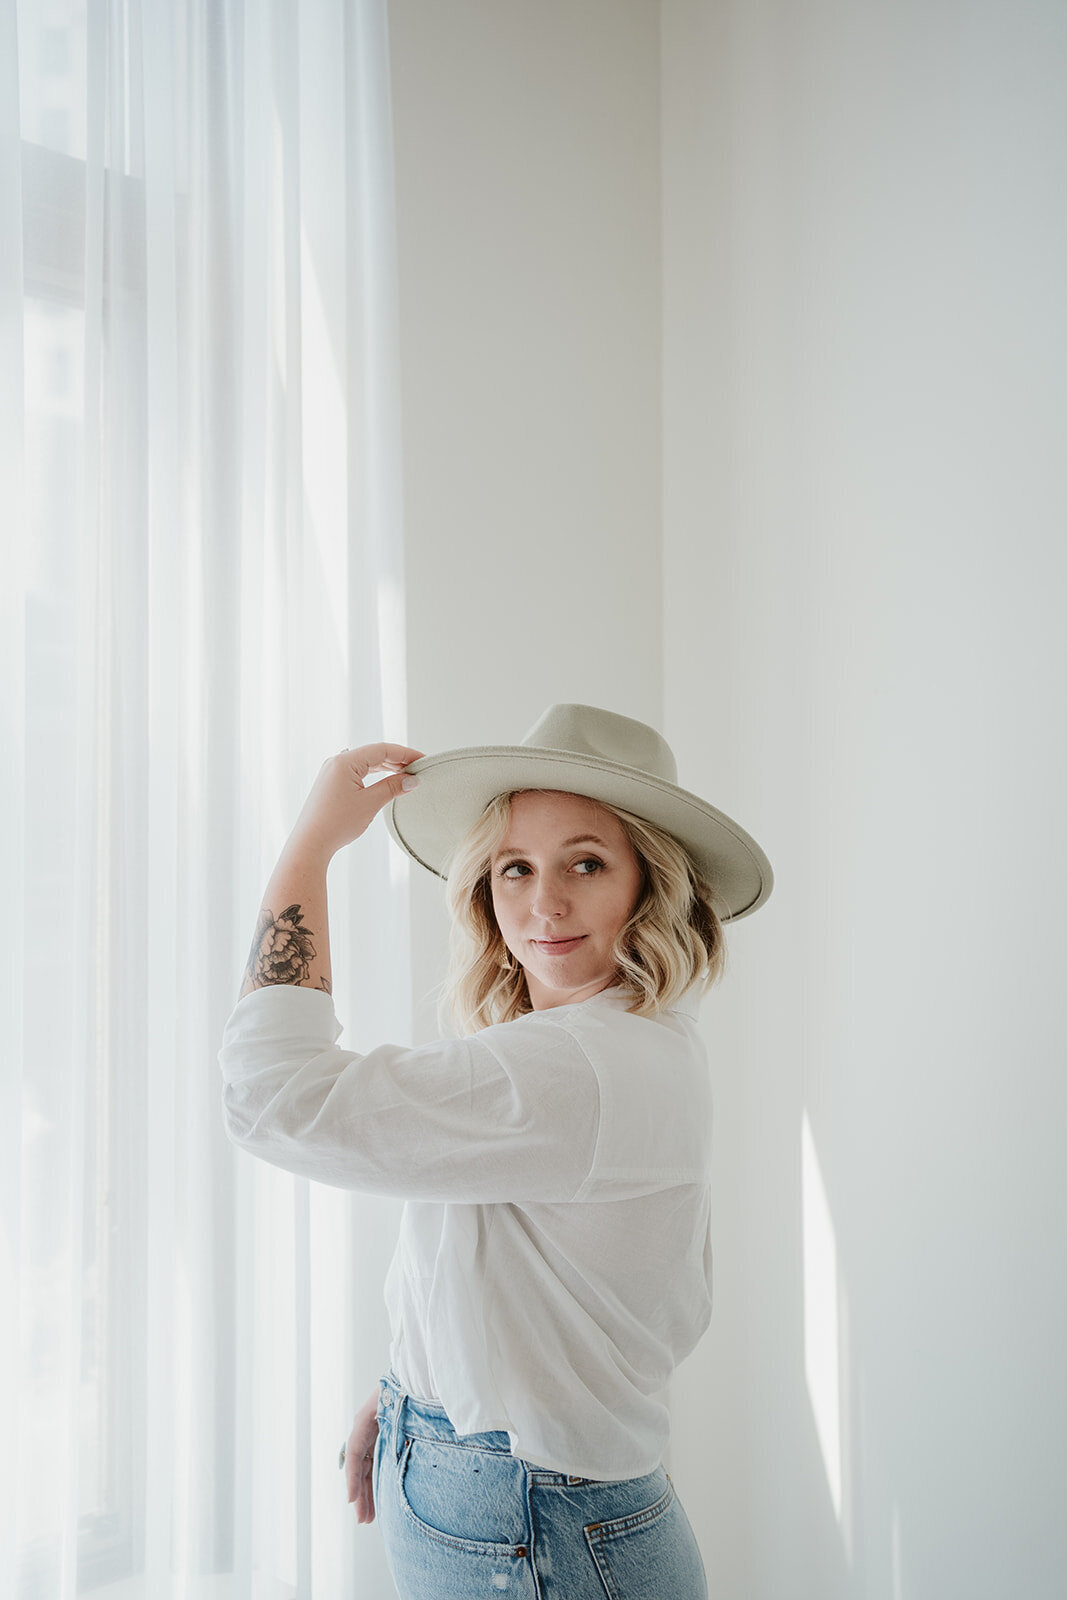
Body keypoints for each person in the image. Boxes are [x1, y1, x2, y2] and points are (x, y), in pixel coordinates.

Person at [218, 702, 773, 1599]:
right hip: (509, 1496)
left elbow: (271, 1095)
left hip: (528, 1520)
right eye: (515, 868)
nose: (542, 904)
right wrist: (415, 1389)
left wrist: (309, 848)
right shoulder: (623, 1040)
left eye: (585, 864)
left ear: (650, 885)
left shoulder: (584, 1066)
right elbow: (522, 1266)